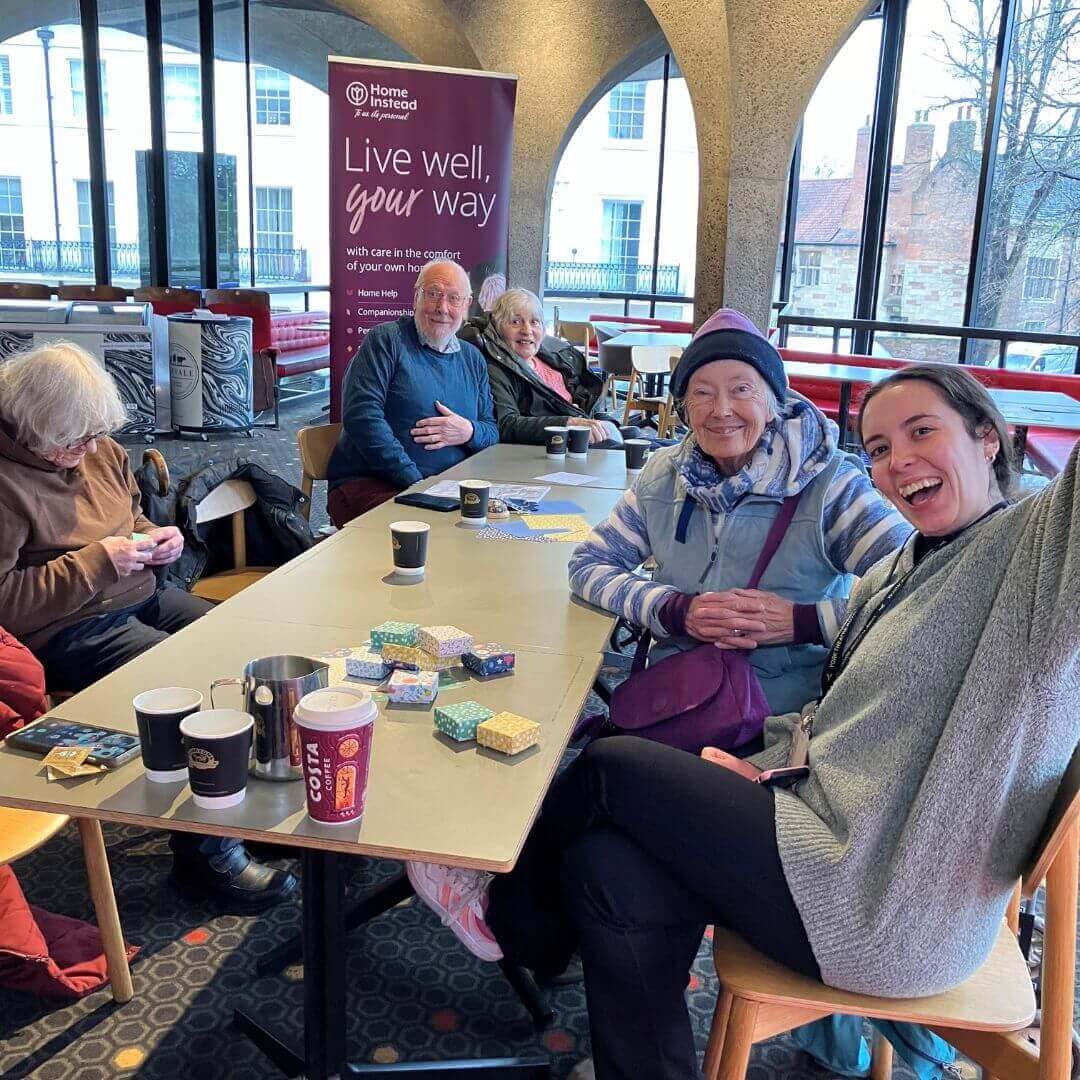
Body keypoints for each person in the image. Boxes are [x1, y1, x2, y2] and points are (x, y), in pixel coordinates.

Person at [417, 362, 1079, 1079]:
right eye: (881, 447)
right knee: (604, 868)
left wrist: (788, 625)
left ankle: (509, 913)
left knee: (611, 766)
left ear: (988, 439)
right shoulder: (910, 561)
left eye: (923, 432)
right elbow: (850, 722)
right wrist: (760, 769)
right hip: (817, 829)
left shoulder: (1031, 561)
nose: (899, 462)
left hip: (884, 905)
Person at [0, 342, 296, 909]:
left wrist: (157, 540)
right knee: (190, 694)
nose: (89, 450)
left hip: (141, 594)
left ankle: (249, 810)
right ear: (31, 426)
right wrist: (95, 563)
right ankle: (208, 857)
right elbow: (5, 604)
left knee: (245, 656)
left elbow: (129, 516)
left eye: (94, 436)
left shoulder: (99, 450)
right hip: (69, 628)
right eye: (74, 441)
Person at [326, 260, 499, 526]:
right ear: (415, 297)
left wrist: (468, 431)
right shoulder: (386, 340)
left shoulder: (473, 359)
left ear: (466, 305)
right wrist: (416, 482)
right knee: (443, 536)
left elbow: (491, 430)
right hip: (373, 484)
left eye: (453, 298)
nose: (442, 307)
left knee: (499, 528)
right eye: (433, 294)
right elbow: (362, 418)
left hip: (446, 488)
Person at [459, 288, 631, 449]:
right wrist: (567, 423)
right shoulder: (495, 369)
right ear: (498, 328)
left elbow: (588, 404)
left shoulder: (558, 358)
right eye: (515, 322)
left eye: (534, 322)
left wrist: (605, 422)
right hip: (557, 447)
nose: (527, 330)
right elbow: (507, 424)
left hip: (586, 438)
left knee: (636, 437)